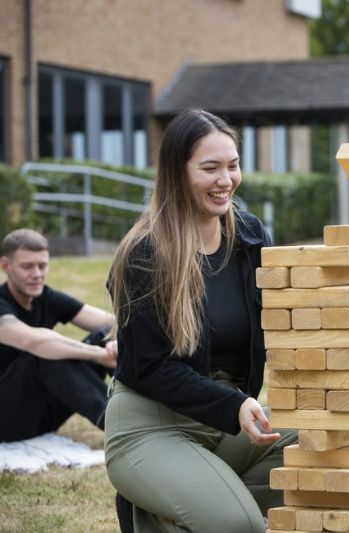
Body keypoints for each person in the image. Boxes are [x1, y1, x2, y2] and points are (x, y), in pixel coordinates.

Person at [105, 108, 297, 532]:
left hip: (227, 421)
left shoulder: (249, 235)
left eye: (233, 165)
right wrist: (235, 404)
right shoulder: (144, 254)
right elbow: (149, 367)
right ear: (176, 172)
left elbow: (276, 321)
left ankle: (167, 506)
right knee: (239, 526)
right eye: (210, 168)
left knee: (325, 445)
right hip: (152, 423)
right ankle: (170, 492)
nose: (225, 180)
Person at [0, 228, 117, 442]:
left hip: (44, 414)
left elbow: (111, 323)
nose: (37, 274)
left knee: (107, 335)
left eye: (42, 266)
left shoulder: (46, 296)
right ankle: (123, 428)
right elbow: (31, 340)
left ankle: (146, 411)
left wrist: (116, 342)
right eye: (27, 267)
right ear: (6, 266)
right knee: (44, 352)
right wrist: (98, 355)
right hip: (6, 421)